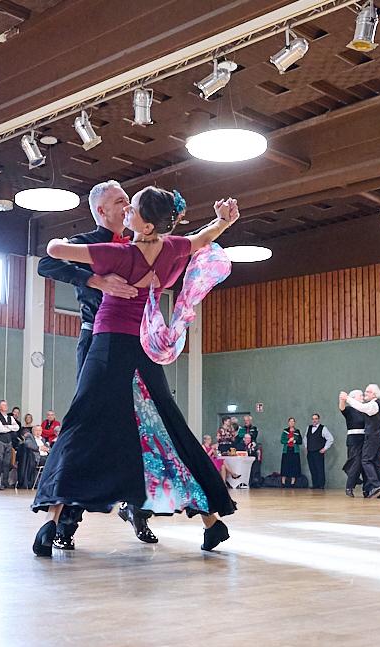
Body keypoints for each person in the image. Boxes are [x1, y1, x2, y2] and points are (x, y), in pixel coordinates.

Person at [30, 188, 239, 558]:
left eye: (132, 206)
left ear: (143, 223)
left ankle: (52, 521)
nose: (126, 209)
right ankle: (212, 522)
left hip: (108, 347)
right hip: (144, 349)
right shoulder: (174, 248)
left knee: (82, 424)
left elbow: (53, 251)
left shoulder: (119, 253)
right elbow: (204, 237)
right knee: (169, 428)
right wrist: (223, 219)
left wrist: (86, 263)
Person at [38, 180, 162, 550]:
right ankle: (66, 521)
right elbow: (47, 262)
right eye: (119, 201)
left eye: (128, 200)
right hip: (97, 340)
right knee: (87, 427)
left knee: (140, 424)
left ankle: (137, 507)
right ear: (101, 211)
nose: (127, 206)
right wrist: (96, 279)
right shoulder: (86, 243)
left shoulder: (140, 242)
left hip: (137, 343)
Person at [342, 385, 380, 498]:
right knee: (376, 463)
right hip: (375, 437)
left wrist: (347, 398)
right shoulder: (376, 404)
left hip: (372, 436)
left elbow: (361, 408)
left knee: (366, 461)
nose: (365, 394)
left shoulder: (373, 404)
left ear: (374, 394)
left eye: (368, 392)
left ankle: (376, 485)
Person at [340, 389, 367, 497]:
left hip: (365, 440)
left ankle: (366, 489)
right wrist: (342, 399)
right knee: (355, 463)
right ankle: (349, 487)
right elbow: (341, 408)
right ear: (353, 397)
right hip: (354, 440)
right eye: (360, 395)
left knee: (365, 463)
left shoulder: (364, 410)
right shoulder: (350, 410)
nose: (362, 397)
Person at [0, 400, 19, 490]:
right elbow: (0, 429)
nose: (5, 406)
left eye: (6, 405)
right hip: (0, 441)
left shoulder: (10, 418)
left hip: (9, 441)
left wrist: (7, 427)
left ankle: (5, 481)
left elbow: (17, 427)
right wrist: (10, 427)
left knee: (7, 462)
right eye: (3, 405)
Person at [305, 413, 335, 490]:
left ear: (318, 419)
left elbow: (330, 439)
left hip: (318, 452)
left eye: (316, 419)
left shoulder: (323, 428)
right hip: (310, 452)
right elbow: (305, 438)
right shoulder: (308, 428)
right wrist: (306, 447)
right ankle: (315, 485)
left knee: (320, 469)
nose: (314, 420)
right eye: (313, 419)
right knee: (312, 469)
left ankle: (321, 485)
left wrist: (325, 448)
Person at [18, 424, 47, 489]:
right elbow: (28, 444)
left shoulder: (43, 439)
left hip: (46, 456)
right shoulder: (29, 437)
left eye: (40, 430)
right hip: (37, 458)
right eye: (36, 430)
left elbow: (49, 448)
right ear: (33, 431)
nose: (38, 432)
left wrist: (47, 449)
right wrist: (39, 448)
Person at [280, 417, 303, 488]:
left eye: (293, 422)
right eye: (290, 421)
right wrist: (288, 441)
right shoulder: (285, 431)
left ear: (294, 423)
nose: (292, 423)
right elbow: (282, 440)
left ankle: (293, 483)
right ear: (288, 423)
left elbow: (300, 441)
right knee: (285, 466)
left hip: (294, 451)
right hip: (286, 451)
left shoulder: (297, 431)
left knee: (294, 466)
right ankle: (283, 482)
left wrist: (294, 440)